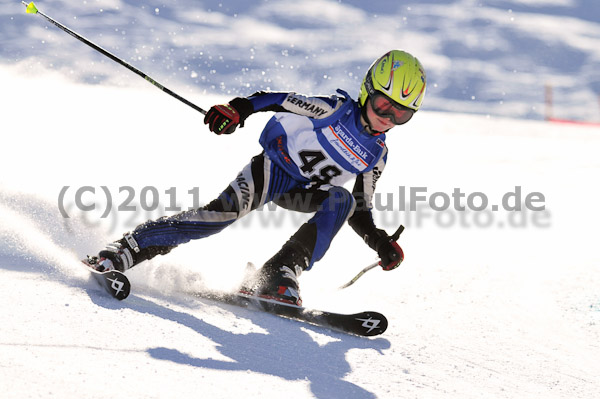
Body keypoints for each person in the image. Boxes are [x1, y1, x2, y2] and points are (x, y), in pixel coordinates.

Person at [88, 50, 427, 307]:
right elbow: (276, 99)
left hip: (307, 192)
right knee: (219, 216)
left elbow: (360, 207)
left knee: (343, 200)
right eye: (384, 105)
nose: (388, 118)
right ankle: (124, 250)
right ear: (368, 91)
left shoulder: (377, 155)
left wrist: (379, 242)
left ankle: (279, 273)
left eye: (402, 113)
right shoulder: (333, 110)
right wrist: (238, 110)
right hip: (274, 170)